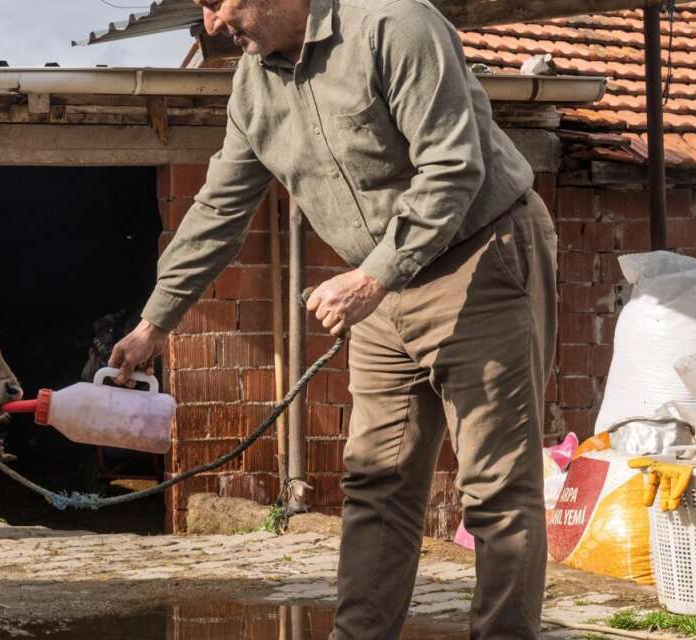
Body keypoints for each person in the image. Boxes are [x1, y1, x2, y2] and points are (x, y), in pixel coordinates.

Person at [108, 0, 557, 637]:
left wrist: (373, 277)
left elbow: (454, 167)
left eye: (216, 2)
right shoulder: (254, 83)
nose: (210, 24)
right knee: (378, 483)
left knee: (494, 487)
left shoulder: (394, 26)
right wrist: (154, 323)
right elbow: (218, 209)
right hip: (378, 283)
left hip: (477, 254)